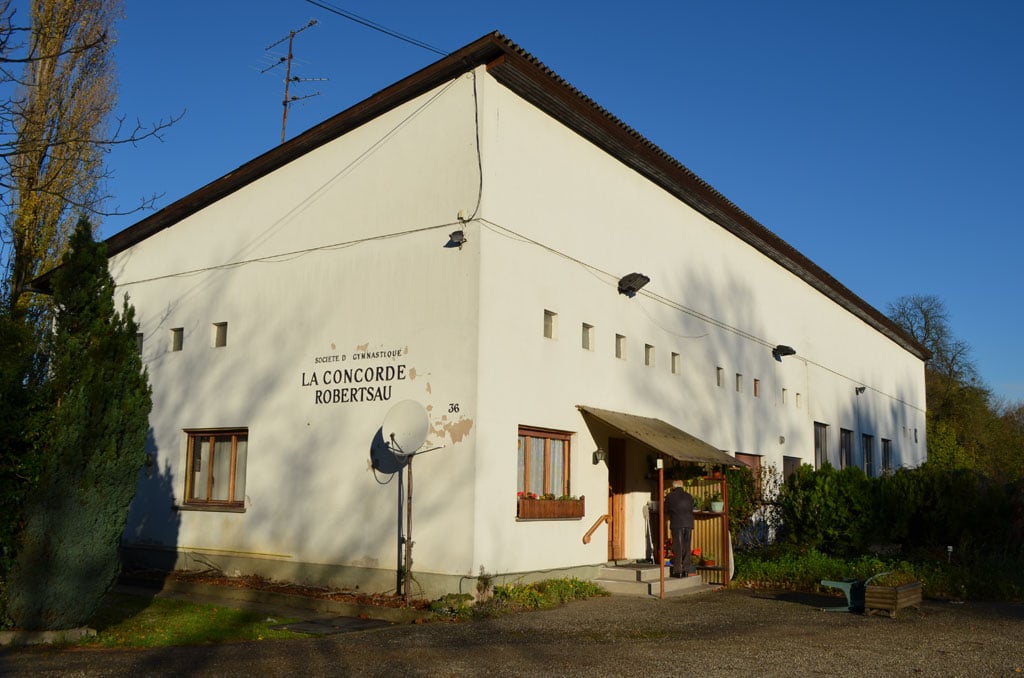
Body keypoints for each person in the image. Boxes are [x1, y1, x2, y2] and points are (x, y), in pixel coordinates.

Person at [664, 479, 695, 577]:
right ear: (682, 486)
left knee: (678, 547)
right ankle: (686, 570)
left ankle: (678, 571)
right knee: (686, 547)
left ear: (674, 486)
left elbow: (665, 510)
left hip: (677, 524)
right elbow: (691, 508)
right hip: (688, 524)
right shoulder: (689, 496)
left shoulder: (670, 496)